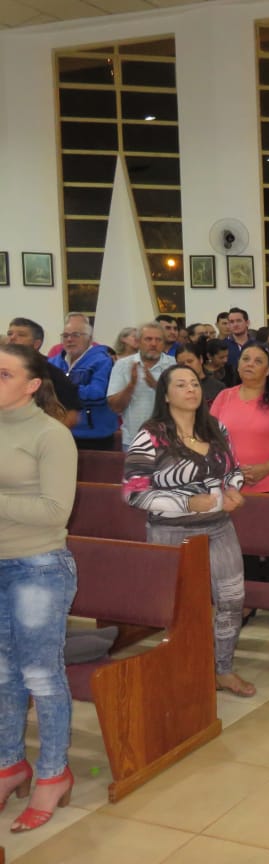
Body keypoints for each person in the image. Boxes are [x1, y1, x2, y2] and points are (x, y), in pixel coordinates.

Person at [123, 365, 255, 696]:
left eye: (194, 383)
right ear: (166, 395)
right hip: (171, 531)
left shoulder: (215, 428)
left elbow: (233, 471)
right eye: (181, 385)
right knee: (181, 607)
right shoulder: (151, 435)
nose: (191, 389)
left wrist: (232, 489)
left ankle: (223, 669)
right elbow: (133, 492)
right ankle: (185, 670)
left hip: (219, 527)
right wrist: (185, 502)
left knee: (232, 599)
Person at [0, 344, 79, 833]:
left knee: (41, 675)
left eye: (3, 374)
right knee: (1, 674)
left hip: (38, 566)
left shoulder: (51, 435)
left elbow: (54, 512)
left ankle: (53, 772)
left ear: (31, 385)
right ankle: (10, 764)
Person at [212, 344, 269, 594]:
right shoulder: (225, 396)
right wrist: (233, 472)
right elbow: (212, 440)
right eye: (246, 359)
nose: (250, 364)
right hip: (234, 487)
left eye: (258, 360)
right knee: (242, 549)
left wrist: (265, 469)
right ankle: (248, 603)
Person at [107, 321, 177, 449]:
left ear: (164, 343)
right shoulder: (122, 365)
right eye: (148, 339)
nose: (153, 344)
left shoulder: (174, 365)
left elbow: (180, 402)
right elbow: (115, 407)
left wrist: (156, 386)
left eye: (158, 340)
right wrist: (131, 385)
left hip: (169, 439)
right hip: (133, 441)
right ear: (138, 342)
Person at [7, 317, 83, 431]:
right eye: (10, 334)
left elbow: (72, 414)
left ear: (36, 344)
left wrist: (49, 435)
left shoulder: (52, 373)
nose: (12, 338)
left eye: (21, 335)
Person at [173, 342, 225, 408]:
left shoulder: (218, 387)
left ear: (200, 359)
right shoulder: (175, 389)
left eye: (190, 361)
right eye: (181, 364)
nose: (187, 366)